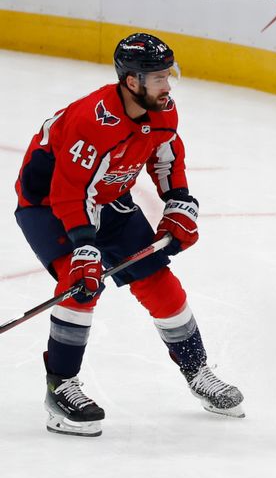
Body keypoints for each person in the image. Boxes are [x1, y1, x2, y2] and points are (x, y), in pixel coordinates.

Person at [14, 33, 244, 437]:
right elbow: (69, 192)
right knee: (79, 283)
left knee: (161, 284)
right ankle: (60, 388)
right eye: (157, 77)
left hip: (109, 199)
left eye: (167, 76)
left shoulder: (162, 109)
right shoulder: (91, 121)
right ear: (132, 81)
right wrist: (85, 248)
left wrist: (178, 201)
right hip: (50, 206)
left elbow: (166, 154)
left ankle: (197, 370)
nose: (167, 86)